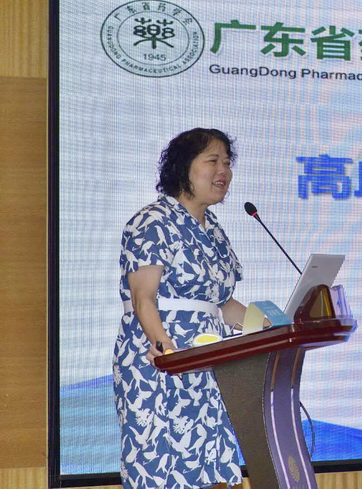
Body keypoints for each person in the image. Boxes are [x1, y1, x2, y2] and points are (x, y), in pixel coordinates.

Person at [113, 128, 248, 489]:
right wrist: (166, 351)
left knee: (205, 462)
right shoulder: (153, 221)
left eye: (227, 163)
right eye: (213, 161)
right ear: (183, 167)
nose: (224, 171)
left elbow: (220, 303)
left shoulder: (213, 229)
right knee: (160, 462)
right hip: (161, 361)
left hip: (207, 361)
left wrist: (275, 326)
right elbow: (143, 297)